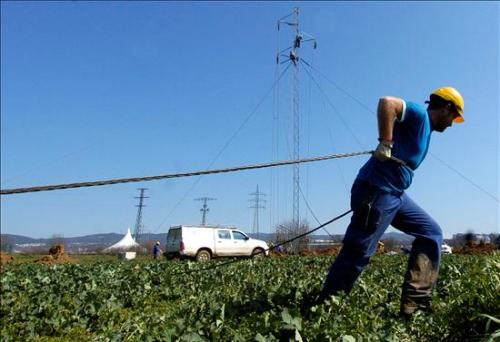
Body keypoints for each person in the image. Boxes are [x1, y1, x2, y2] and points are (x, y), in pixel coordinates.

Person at [317, 87, 465, 316]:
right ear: (446, 107)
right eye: (454, 117)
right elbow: (387, 103)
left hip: (395, 194)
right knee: (359, 251)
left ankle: (414, 306)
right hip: (376, 190)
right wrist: (385, 142)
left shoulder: (427, 132)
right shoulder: (419, 115)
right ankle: (324, 307)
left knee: (432, 233)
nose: (452, 124)